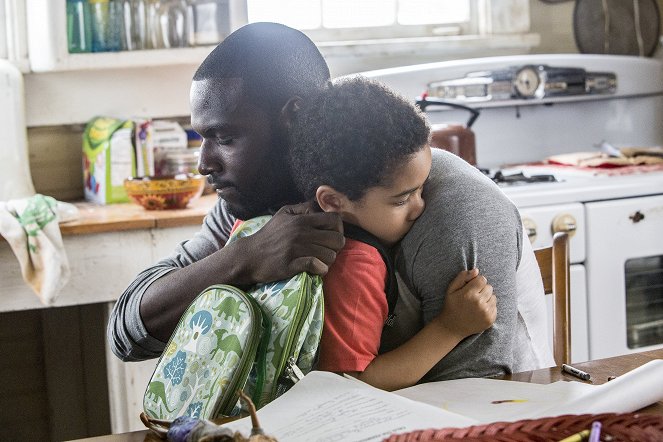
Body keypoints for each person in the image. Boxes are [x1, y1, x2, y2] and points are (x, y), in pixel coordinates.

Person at [107, 22, 346, 360]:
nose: (204, 164)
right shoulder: (244, 209)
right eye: (202, 138)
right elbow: (125, 332)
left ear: (296, 115)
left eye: (225, 138)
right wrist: (247, 257)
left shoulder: (405, 193)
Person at [288, 76, 497, 391]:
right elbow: (352, 384)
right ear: (332, 201)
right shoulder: (356, 264)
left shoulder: (288, 226)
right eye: (401, 199)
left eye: (422, 189)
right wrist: (451, 328)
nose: (419, 208)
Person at [381, 148, 556, 380]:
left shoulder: (459, 219)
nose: (419, 207)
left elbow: (475, 390)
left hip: (507, 398)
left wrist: (448, 328)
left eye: (418, 193)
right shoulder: (336, 225)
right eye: (403, 200)